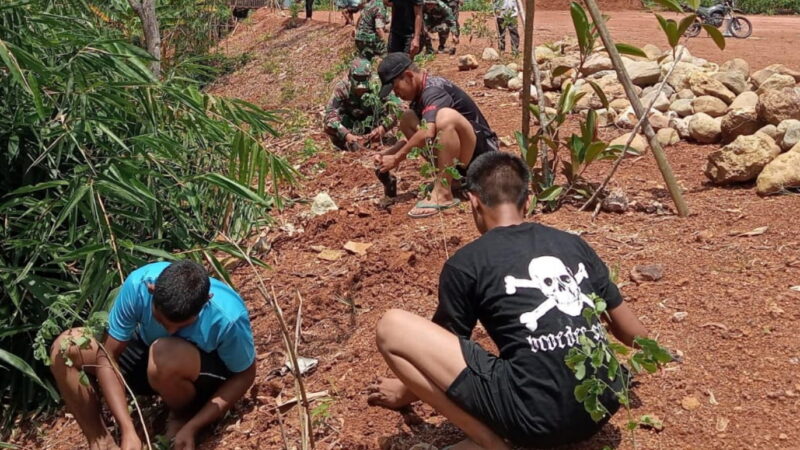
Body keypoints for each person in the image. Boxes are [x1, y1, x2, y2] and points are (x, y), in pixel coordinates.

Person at [367, 152, 651, 449]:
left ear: (473, 201)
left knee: (392, 326)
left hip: (534, 423)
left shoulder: (467, 264)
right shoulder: (574, 244)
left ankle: (490, 443)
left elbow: (438, 360)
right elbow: (634, 335)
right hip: (600, 406)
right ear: (528, 201)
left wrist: (403, 392)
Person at [50, 260, 256, 450]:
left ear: (206, 302)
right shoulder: (138, 285)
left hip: (197, 377)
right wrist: (127, 429)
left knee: (164, 351)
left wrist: (194, 426)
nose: (172, 330)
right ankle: (101, 443)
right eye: (162, 321)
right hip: (150, 358)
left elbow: (244, 375)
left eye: (183, 325)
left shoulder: (228, 317)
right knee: (67, 345)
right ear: (152, 291)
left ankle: (181, 417)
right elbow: (108, 355)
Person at [374, 52, 499, 218]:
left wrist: (397, 159)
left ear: (409, 76)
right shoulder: (419, 96)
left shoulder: (433, 90)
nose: (396, 94)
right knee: (407, 118)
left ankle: (443, 193)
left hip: (484, 157)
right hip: (465, 158)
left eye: (396, 88)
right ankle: (453, 180)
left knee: (445, 117)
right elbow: (415, 136)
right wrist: (388, 153)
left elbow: (427, 133)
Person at [324, 58, 402, 151]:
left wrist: (383, 128)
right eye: (357, 78)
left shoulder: (378, 84)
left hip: (375, 124)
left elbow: (397, 108)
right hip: (350, 125)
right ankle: (344, 146)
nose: (361, 84)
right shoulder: (342, 88)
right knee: (329, 126)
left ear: (369, 77)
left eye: (364, 78)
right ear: (350, 76)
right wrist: (346, 135)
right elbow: (330, 115)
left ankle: (381, 140)